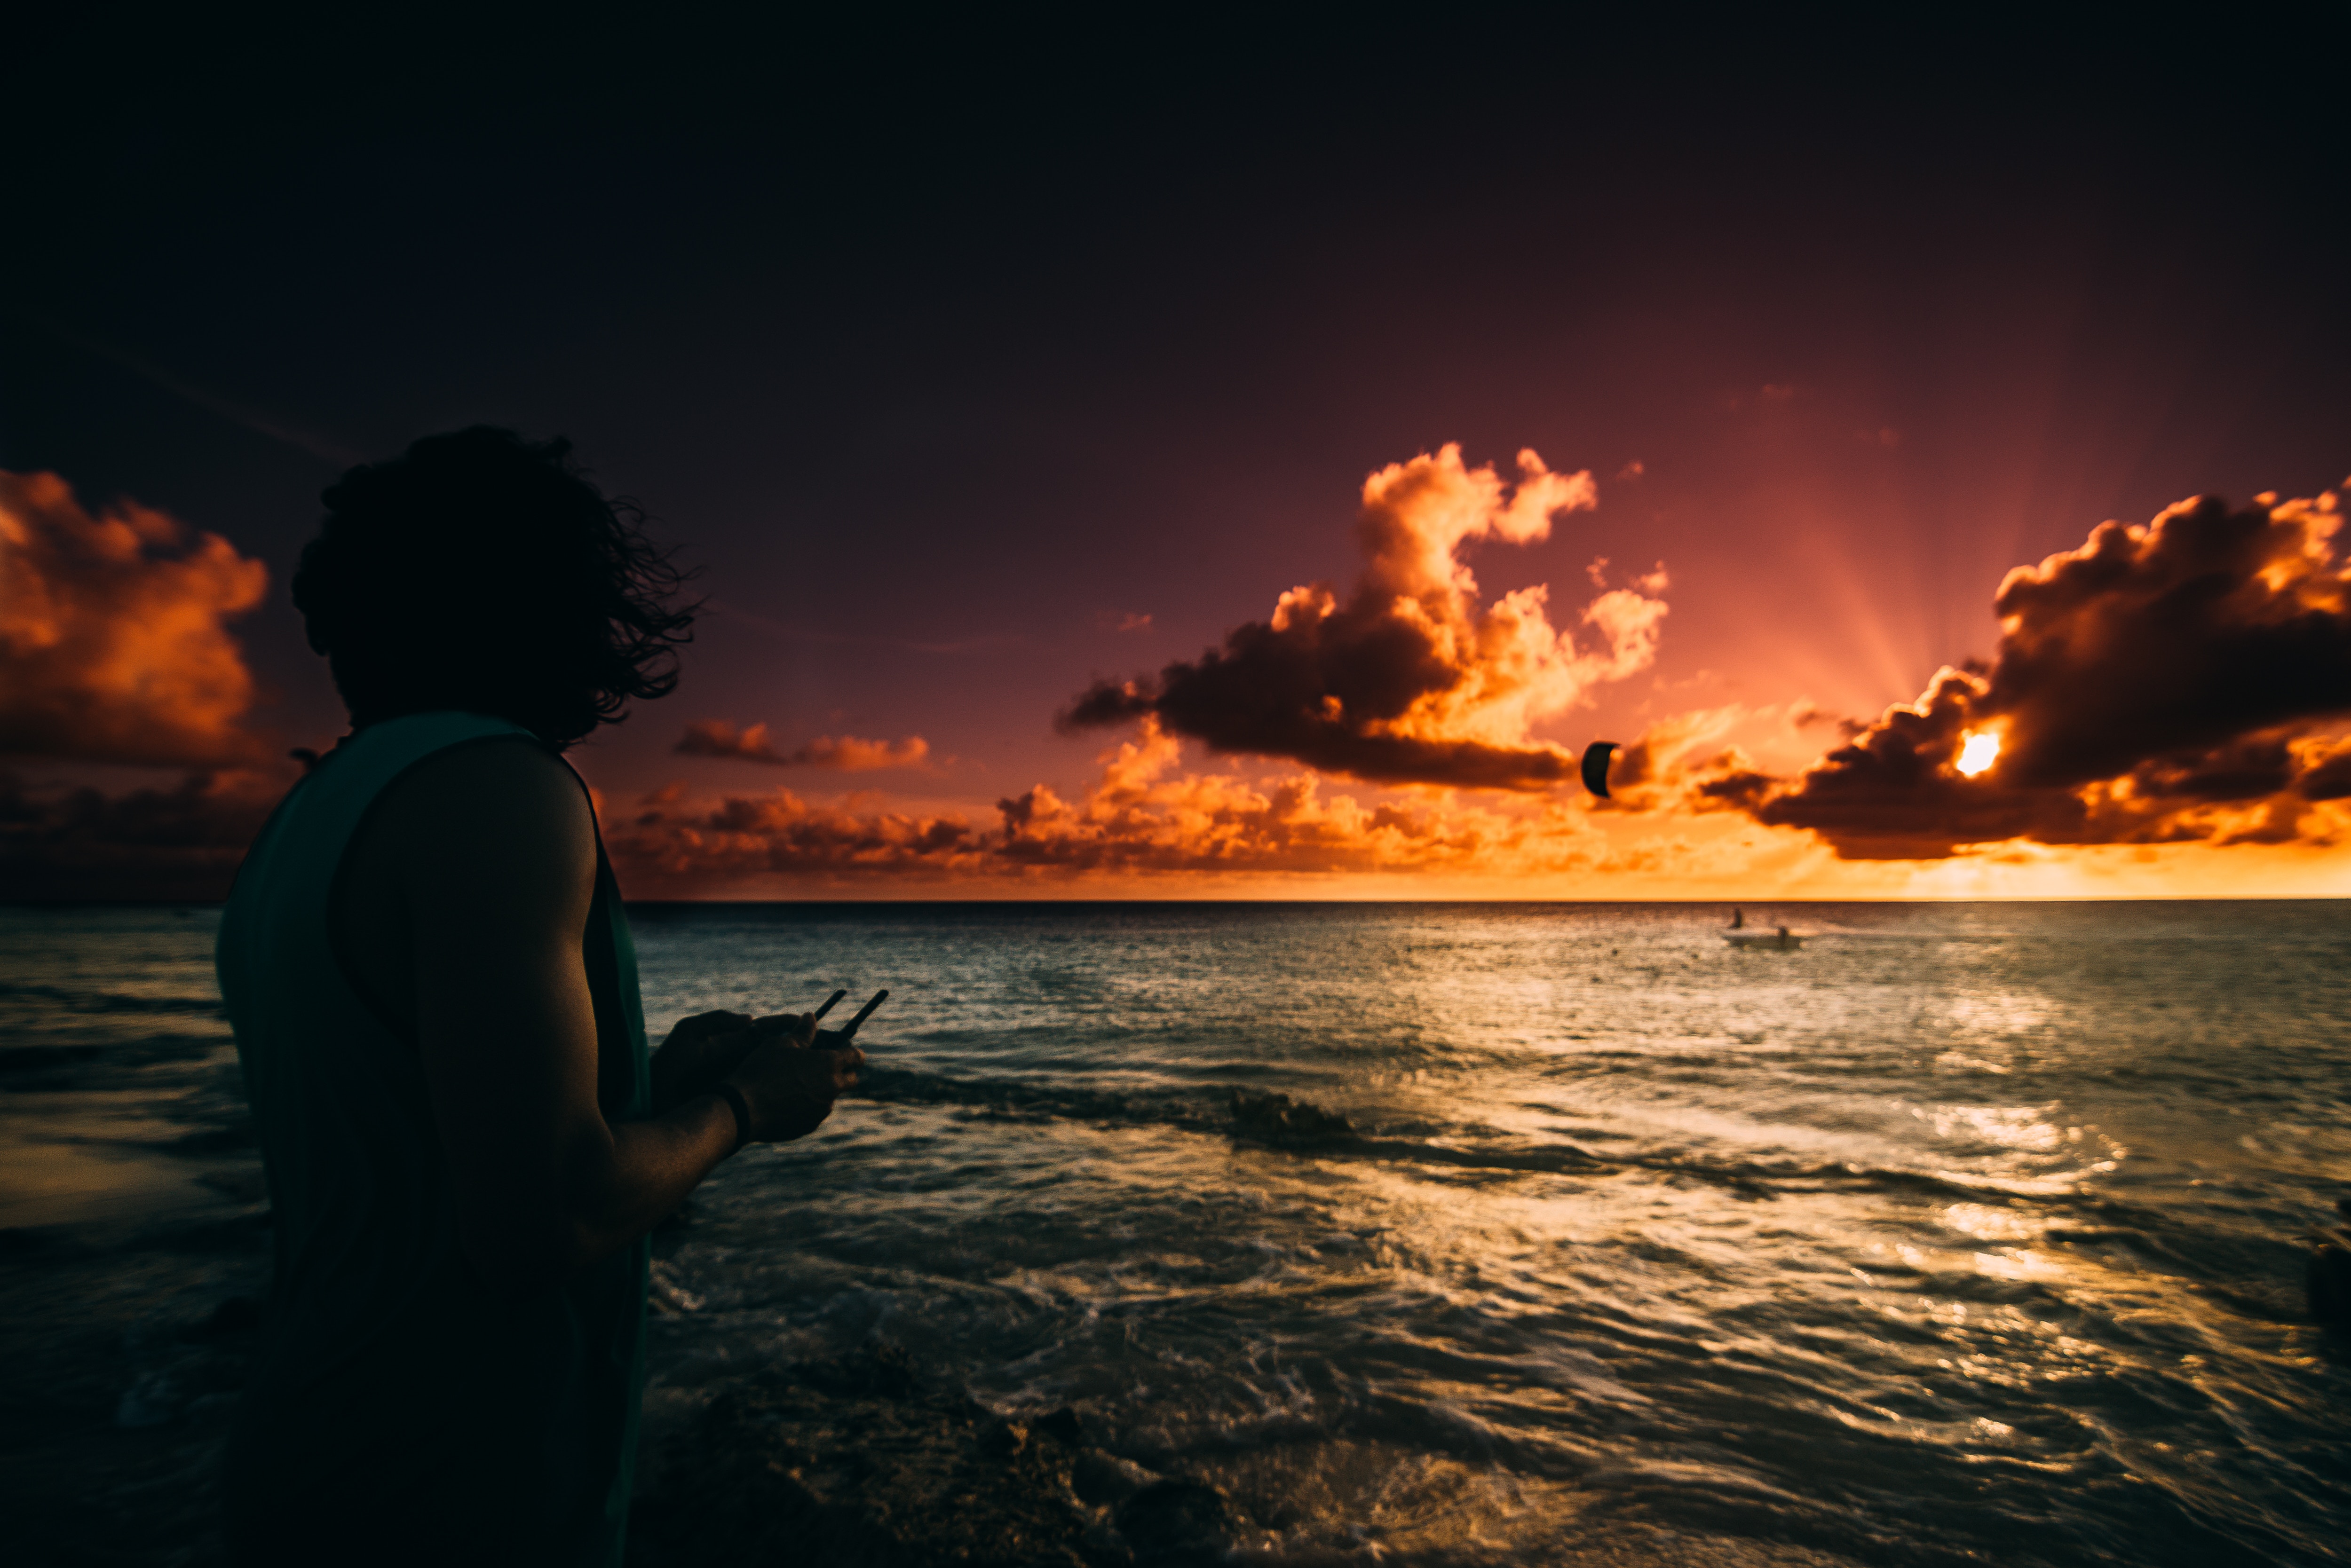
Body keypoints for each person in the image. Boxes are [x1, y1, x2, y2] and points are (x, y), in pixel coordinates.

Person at [214, 428, 863, 1566]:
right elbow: (545, 1220)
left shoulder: (307, 822)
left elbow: (424, 1134)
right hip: (446, 1490)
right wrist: (749, 1108)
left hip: (316, 1450)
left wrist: (654, 1085)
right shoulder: (496, 791)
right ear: (546, 605)